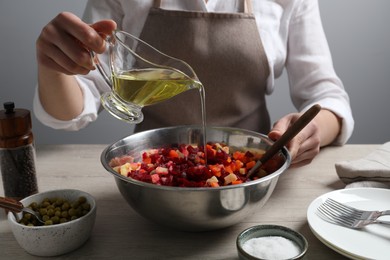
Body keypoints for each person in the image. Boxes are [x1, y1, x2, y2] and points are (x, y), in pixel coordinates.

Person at [34, 0, 354, 168]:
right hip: (148, 169)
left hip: (251, 170)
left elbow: (325, 94)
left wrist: (312, 129)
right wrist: (54, 67)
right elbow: (79, 101)